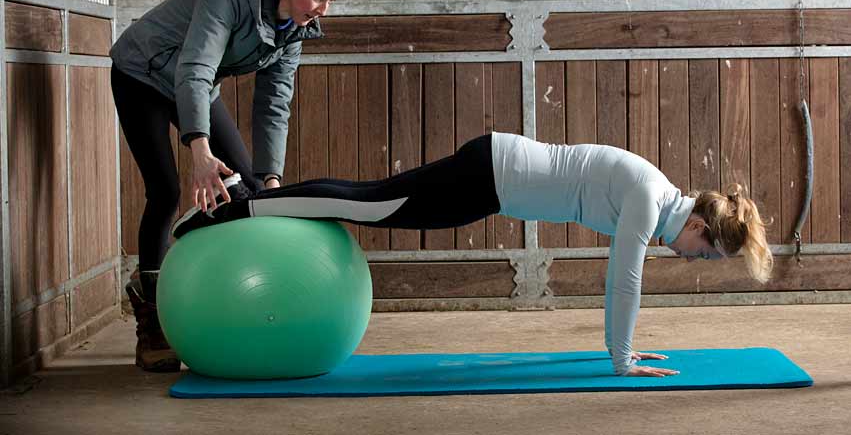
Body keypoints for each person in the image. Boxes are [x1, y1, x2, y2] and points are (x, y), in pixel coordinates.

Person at [172, 132, 773, 378]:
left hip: (492, 181)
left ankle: (247, 202)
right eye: (702, 253)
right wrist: (621, 360)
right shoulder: (649, 197)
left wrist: (625, 348)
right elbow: (623, 281)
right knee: (370, 205)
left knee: (368, 201)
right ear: (696, 223)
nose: (693, 261)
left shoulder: (656, 193)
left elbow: (626, 280)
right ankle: (236, 209)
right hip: (491, 173)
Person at [110, 0, 344, 372]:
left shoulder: (294, 29)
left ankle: (233, 299)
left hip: (194, 83)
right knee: (164, 189)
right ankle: (153, 322)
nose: (321, 11)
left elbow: (274, 102)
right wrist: (198, 149)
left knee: (250, 186)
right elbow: (195, 69)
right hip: (141, 74)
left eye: (330, 1)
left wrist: (272, 178)